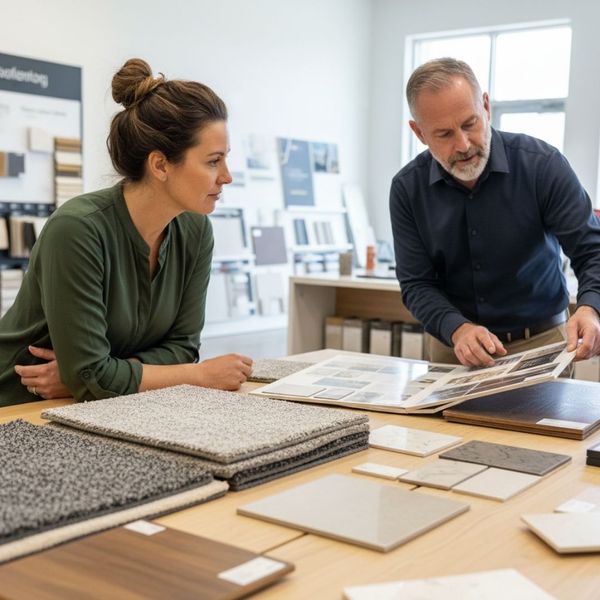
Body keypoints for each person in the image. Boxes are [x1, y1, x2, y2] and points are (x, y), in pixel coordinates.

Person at [0, 58, 253, 406]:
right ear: (160, 165)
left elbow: (182, 349)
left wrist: (93, 377)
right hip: (22, 406)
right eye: (213, 161)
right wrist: (199, 376)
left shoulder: (195, 231)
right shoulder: (77, 230)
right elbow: (95, 377)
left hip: (101, 405)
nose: (227, 176)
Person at [390, 57, 600, 367]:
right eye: (444, 134)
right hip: (456, 349)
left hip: (540, 344)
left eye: (469, 123)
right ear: (419, 133)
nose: (463, 145)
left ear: (486, 106)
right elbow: (417, 284)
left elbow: (591, 250)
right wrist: (457, 329)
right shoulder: (407, 189)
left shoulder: (542, 166)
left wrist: (590, 308)